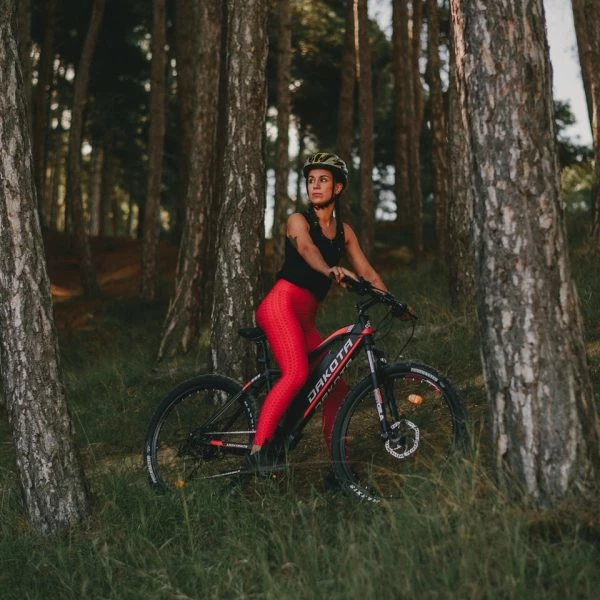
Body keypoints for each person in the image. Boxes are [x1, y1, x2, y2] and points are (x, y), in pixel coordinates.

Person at [248, 152, 388, 469]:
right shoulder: (299, 221)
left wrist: (395, 303)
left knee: (334, 385)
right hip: (280, 306)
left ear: (337, 188)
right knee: (296, 373)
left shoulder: (344, 232)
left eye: (323, 180)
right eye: (311, 180)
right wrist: (329, 270)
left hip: (304, 319)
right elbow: (306, 248)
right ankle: (257, 454)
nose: (315, 186)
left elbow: (368, 272)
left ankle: (341, 467)